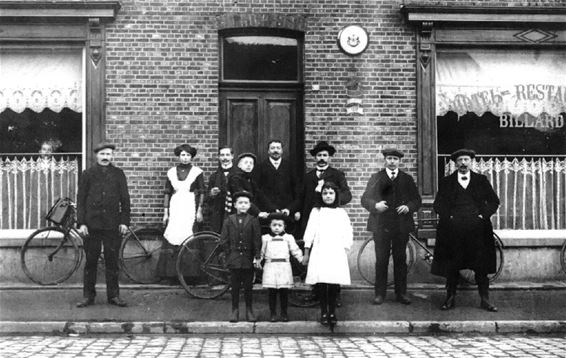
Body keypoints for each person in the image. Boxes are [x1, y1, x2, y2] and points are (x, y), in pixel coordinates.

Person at [432, 148, 500, 312]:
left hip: (477, 230)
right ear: (455, 163)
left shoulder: (481, 180)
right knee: (452, 266)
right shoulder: (446, 182)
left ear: (471, 162)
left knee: (481, 267)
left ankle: (485, 300)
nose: (463, 163)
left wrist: (483, 216)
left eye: (466, 160)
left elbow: (493, 201)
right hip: (453, 231)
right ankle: (450, 298)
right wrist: (449, 217)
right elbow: (438, 204)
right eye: (460, 160)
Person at [361, 148, 421, 305]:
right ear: (385, 160)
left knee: (400, 260)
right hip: (381, 226)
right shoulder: (376, 178)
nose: (392, 161)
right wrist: (375, 205)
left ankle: (401, 293)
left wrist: (408, 207)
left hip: (401, 226)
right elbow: (365, 199)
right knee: (381, 260)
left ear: (399, 161)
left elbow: (417, 200)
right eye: (389, 158)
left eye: (395, 158)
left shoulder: (407, 179)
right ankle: (379, 294)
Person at [76, 142, 130, 308]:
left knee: (112, 261)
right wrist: (82, 223)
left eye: (108, 154)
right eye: (102, 154)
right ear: (96, 155)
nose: (105, 157)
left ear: (112, 156)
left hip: (112, 225)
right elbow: (81, 200)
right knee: (91, 261)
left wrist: (124, 222)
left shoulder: (119, 174)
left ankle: (113, 296)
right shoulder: (87, 174)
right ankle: (88, 296)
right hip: (92, 225)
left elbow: (125, 200)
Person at [302, 182, 353, 326]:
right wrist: (306, 251)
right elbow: (310, 231)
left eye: (331, 193)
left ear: (336, 195)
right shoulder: (316, 211)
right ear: (321, 195)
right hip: (320, 251)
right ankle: (324, 312)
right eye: (325, 193)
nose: (328, 196)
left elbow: (347, 231)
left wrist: (344, 248)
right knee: (322, 283)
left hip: (335, 252)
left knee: (333, 283)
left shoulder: (341, 213)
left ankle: (332, 312)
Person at [157, 144, 205, 282]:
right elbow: (167, 192)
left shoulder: (197, 171)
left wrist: (199, 210)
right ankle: (171, 275)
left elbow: (202, 191)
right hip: (176, 204)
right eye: (183, 155)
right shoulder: (172, 172)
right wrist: (165, 213)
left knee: (188, 234)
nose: (185, 158)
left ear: (192, 157)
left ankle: (190, 275)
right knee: (173, 234)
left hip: (190, 204)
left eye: (188, 155)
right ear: (179, 156)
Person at [292, 141, 352, 240]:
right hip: (311, 216)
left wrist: (333, 199)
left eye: (325, 155)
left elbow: (347, 195)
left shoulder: (337, 175)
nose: (322, 158)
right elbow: (300, 198)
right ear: (315, 157)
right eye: (319, 155)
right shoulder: (307, 177)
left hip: (329, 216)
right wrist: (295, 210)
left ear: (329, 157)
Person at [221, 191, 262, 323]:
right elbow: (224, 240)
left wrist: (256, 256)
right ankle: (235, 310)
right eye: (240, 203)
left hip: (248, 258)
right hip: (234, 258)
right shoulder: (229, 220)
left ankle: (249, 310)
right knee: (235, 286)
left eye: (246, 203)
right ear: (235, 205)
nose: (243, 205)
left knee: (248, 286)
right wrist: (229, 254)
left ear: (250, 205)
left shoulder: (253, 220)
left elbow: (257, 240)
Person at [260, 212, 303, 322]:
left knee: (284, 292)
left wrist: (302, 259)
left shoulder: (288, 238)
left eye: (280, 225)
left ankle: (284, 313)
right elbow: (261, 252)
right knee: (272, 292)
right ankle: (273, 314)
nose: (277, 228)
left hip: (284, 267)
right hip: (271, 266)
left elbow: (295, 250)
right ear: (270, 226)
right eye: (274, 225)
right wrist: (257, 261)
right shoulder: (265, 238)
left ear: (284, 227)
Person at [255, 140, 300, 229]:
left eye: (278, 148)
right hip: (267, 212)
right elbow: (258, 191)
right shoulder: (260, 167)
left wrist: (291, 209)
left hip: (286, 212)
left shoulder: (290, 166)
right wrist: (271, 208)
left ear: (282, 150)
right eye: (272, 148)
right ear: (268, 151)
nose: (275, 150)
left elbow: (297, 189)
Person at [227, 152, 272, 218]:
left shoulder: (251, 179)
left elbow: (260, 196)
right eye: (246, 162)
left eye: (251, 163)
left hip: (250, 213)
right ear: (239, 165)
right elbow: (243, 197)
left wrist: (273, 209)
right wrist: (258, 212)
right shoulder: (235, 179)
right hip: (238, 214)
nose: (249, 165)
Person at [206, 146, 237, 233]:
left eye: (227, 155)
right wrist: (211, 193)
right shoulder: (214, 176)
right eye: (222, 155)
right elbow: (207, 198)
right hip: (218, 213)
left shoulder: (239, 174)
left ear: (232, 156)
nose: (225, 158)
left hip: (234, 212)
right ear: (219, 157)